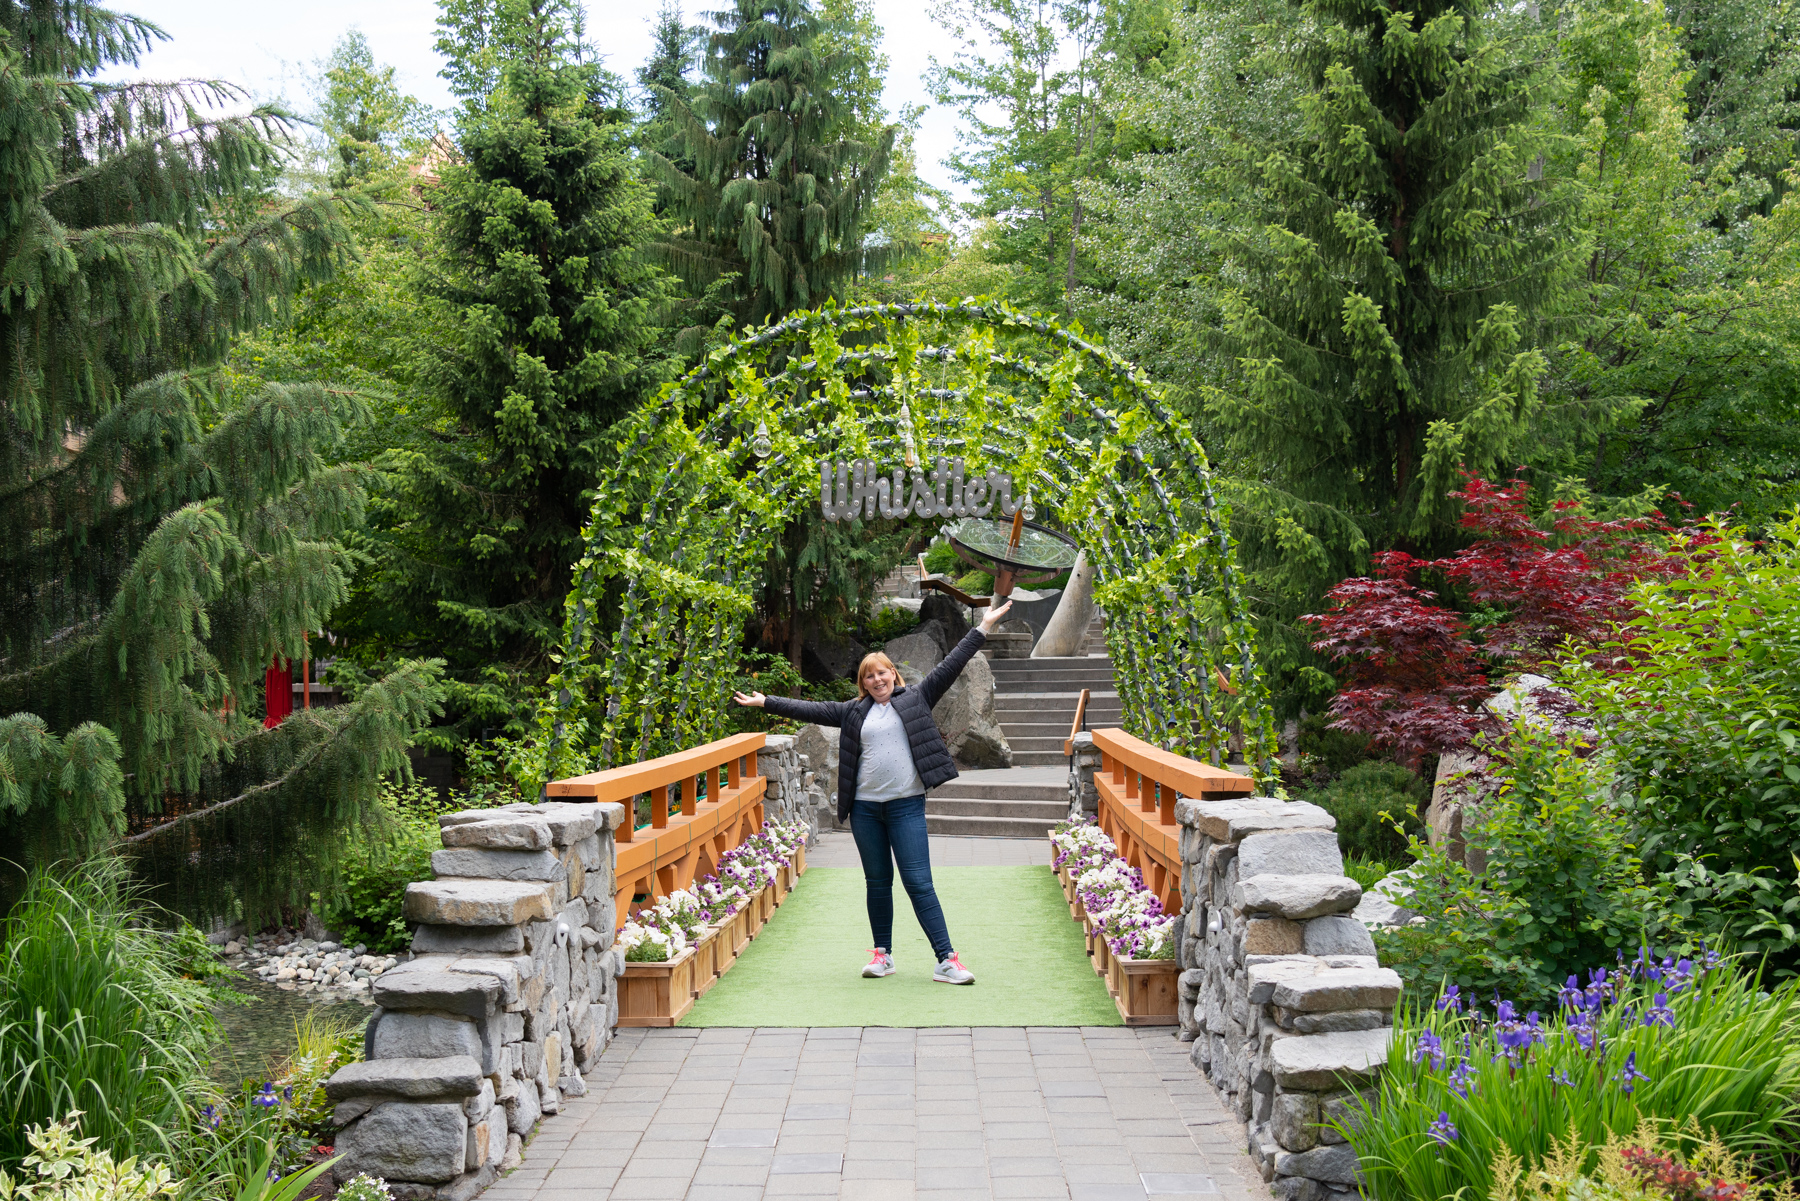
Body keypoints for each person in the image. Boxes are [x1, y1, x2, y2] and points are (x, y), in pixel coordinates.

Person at [733, 598, 1014, 984]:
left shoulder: (917, 697)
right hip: (866, 810)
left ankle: (946, 959)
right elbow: (810, 710)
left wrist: (982, 627)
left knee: (918, 881)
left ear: (894, 675)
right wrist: (767, 701)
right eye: (869, 676)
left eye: (882, 673)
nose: (877, 680)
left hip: (906, 807)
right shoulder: (853, 711)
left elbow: (953, 664)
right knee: (878, 883)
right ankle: (883, 956)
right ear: (862, 683)